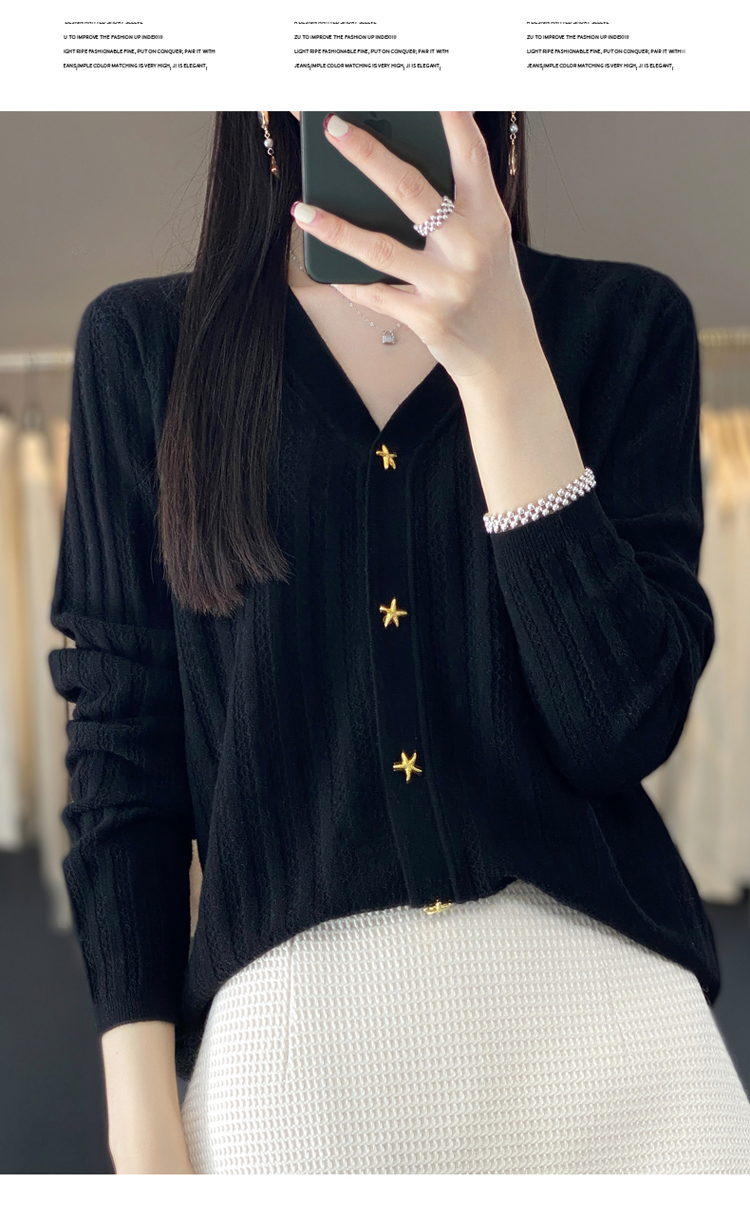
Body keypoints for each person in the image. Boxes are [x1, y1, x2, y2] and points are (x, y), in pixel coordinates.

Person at [48, 111, 750, 1175]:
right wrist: (142, 1132)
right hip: (296, 1075)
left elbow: (620, 722)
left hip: (629, 1065)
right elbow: (123, 759)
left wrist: (503, 361)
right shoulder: (146, 350)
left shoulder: (622, 326)